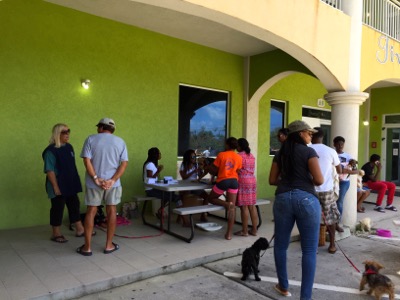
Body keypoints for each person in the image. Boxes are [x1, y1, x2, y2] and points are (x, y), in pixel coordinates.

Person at [269, 120, 323, 299]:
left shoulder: (280, 153)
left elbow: (272, 180)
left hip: (283, 198)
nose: (311, 135)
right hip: (306, 199)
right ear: (300, 133)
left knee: (280, 245)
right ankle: (305, 297)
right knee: (308, 250)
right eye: (309, 132)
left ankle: (283, 286)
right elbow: (319, 180)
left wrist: (287, 182)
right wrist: (304, 180)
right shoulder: (309, 151)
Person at [77, 118, 128, 256]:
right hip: (113, 184)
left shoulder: (91, 139)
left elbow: (86, 161)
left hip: (94, 183)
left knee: (91, 211)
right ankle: (108, 245)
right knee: (111, 211)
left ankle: (87, 247)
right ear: (112, 129)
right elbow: (124, 164)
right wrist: (112, 180)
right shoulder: (120, 141)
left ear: (100, 127)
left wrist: (96, 179)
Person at [42, 124, 86, 243]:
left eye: (68, 131)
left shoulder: (69, 147)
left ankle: (80, 229)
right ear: (57, 134)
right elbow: (49, 171)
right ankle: (56, 233)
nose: (67, 134)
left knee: (74, 205)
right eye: (64, 132)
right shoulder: (50, 151)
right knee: (58, 208)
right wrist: (56, 187)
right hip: (57, 184)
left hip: (70, 183)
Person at [310, 127, 341, 254]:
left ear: (312, 136)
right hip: (326, 189)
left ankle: (312, 246)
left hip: (310, 189)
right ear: (323, 137)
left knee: (311, 217)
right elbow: (339, 170)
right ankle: (332, 245)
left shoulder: (307, 150)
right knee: (331, 218)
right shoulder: (331, 151)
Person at [206, 137, 242, 240]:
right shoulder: (238, 157)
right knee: (232, 209)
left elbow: (214, 170)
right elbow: (238, 171)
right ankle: (229, 234)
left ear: (227, 145)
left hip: (223, 181)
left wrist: (208, 168)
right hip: (234, 182)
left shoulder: (221, 155)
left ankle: (226, 204)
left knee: (210, 198)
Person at [333, 136, 358, 232]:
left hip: (343, 183)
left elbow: (356, 171)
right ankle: (329, 223)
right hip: (332, 182)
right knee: (331, 202)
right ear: (334, 144)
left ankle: (337, 223)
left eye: (342, 144)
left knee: (339, 202)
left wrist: (343, 171)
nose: (340, 146)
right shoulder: (331, 153)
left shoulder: (348, 157)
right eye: (338, 144)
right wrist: (343, 170)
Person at [234, 138, 258, 237]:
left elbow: (235, 169)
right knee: (252, 206)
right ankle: (254, 230)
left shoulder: (238, 156)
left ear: (239, 146)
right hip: (252, 180)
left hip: (243, 181)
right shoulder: (251, 156)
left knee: (244, 207)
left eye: (237, 146)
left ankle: (244, 231)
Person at [179, 149, 208, 224]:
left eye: (195, 157)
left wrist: (201, 170)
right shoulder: (183, 165)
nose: (194, 158)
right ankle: (183, 217)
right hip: (185, 185)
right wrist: (193, 171)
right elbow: (184, 177)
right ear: (188, 157)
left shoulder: (196, 164)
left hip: (195, 185)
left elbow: (200, 176)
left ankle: (203, 214)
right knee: (183, 198)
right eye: (192, 157)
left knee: (207, 197)